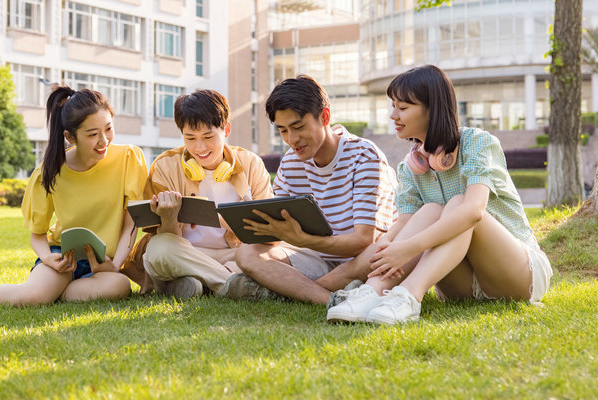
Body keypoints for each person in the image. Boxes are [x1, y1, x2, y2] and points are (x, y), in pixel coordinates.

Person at [326, 65, 553, 324]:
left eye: (403, 107)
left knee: (459, 204)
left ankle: (409, 297)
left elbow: (474, 211)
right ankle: (372, 292)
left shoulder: (477, 143)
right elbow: (404, 224)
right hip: (461, 286)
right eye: (393, 107)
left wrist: (408, 248)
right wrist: (387, 249)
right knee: (430, 211)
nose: (393, 115)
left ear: (431, 109)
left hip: (516, 274)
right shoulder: (409, 167)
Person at [221, 75, 398, 304]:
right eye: (283, 130)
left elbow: (363, 241)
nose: (292, 139)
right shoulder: (291, 162)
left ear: (324, 117)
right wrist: (261, 223)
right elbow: (278, 237)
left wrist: (303, 240)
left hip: (359, 260)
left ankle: (289, 290)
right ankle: (330, 299)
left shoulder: (364, 156)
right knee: (246, 253)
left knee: (376, 253)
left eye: (298, 127)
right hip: (314, 258)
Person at [0, 86, 147, 306]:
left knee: (120, 286)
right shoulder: (49, 172)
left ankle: (58, 292)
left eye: (108, 129)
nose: (104, 140)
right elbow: (37, 234)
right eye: (93, 134)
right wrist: (48, 258)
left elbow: (130, 225)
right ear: (70, 136)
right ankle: (50, 288)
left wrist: (115, 266)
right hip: (63, 257)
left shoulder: (128, 158)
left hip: (103, 264)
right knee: (33, 297)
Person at [122, 89, 273, 298]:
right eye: (190, 138)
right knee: (158, 248)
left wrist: (226, 217)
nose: (199, 147)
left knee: (265, 254)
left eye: (208, 137)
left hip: (232, 253)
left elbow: (269, 235)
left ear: (226, 129)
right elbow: (168, 240)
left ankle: (187, 283)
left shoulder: (250, 163)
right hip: (183, 253)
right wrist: (169, 218)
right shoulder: (165, 166)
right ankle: (232, 284)